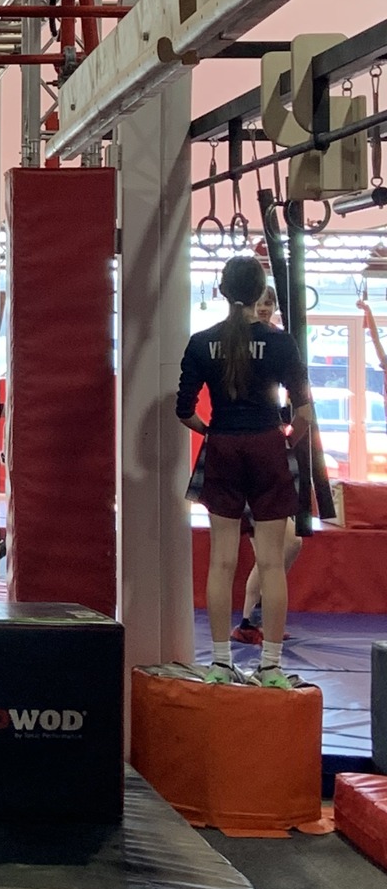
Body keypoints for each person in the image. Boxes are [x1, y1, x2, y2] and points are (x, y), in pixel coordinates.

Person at [177, 254, 313, 687]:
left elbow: (184, 411)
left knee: (222, 561)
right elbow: (305, 412)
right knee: (271, 563)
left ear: (222, 291)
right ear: (260, 295)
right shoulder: (280, 343)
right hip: (267, 446)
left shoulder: (201, 343)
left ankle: (220, 664)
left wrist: (214, 433)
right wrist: (284, 441)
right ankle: (270, 666)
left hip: (224, 447)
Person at [233, 282, 303, 643]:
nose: (264, 308)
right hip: (247, 451)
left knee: (286, 545)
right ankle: (249, 621)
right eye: (260, 302)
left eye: (269, 303)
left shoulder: (278, 343)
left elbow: (293, 397)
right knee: (272, 548)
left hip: (268, 449)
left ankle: (252, 618)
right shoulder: (237, 342)